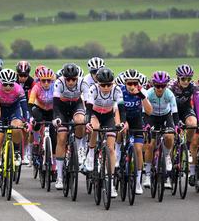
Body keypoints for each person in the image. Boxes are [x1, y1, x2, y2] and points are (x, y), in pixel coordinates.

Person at [84, 67, 126, 198]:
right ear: (98, 83)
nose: (106, 87)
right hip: (95, 114)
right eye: (103, 85)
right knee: (95, 128)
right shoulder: (93, 89)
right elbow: (89, 109)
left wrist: (123, 123)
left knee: (111, 148)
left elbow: (121, 108)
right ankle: (91, 154)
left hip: (108, 116)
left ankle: (111, 182)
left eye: (109, 84)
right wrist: (87, 122)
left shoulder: (117, 90)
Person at [52, 63, 88, 190]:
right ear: (64, 78)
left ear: (77, 78)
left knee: (81, 120)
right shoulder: (59, 83)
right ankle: (60, 176)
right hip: (61, 108)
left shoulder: (83, 83)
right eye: (68, 79)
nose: (71, 82)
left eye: (74, 79)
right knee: (61, 137)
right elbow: (55, 104)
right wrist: (56, 118)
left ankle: (79, 149)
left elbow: (88, 104)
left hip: (76, 105)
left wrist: (88, 120)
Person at [117, 69, 153, 195]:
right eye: (129, 84)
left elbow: (149, 111)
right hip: (123, 117)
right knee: (120, 130)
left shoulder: (141, 91)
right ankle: (117, 154)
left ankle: (138, 182)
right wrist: (123, 121)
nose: (132, 86)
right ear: (125, 83)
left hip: (137, 120)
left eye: (134, 83)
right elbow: (117, 110)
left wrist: (141, 96)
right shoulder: (120, 91)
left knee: (138, 150)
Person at [0, 68, 26, 187]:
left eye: (10, 84)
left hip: (13, 111)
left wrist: (26, 120)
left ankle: (16, 151)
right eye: (5, 84)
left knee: (17, 127)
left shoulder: (18, 89)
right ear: (0, 82)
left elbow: (24, 107)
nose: (7, 87)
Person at [143, 71, 177, 190]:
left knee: (169, 136)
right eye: (157, 86)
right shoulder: (148, 93)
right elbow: (144, 113)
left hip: (166, 117)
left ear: (166, 85)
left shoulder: (169, 94)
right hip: (151, 117)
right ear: (153, 85)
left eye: (163, 86)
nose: (160, 88)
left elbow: (174, 112)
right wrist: (146, 125)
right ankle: (147, 175)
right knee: (150, 144)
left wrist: (176, 126)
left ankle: (167, 156)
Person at [169, 64, 199, 183]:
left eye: (188, 79)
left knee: (193, 124)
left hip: (186, 109)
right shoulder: (171, 86)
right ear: (178, 77)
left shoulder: (193, 87)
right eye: (183, 79)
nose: (186, 81)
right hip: (172, 111)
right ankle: (170, 164)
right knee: (171, 137)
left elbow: (197, 104)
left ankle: (186, 144)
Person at [29, 67, 57, 176]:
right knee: (37, 123)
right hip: (39, 108)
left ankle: (54, 168)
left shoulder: (54, 87)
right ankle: (36, 143)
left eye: (48, 80)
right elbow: (31, 103)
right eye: (43, 80)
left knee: (54, 137)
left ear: (52, 81)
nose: (46, 83)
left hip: (51, 110)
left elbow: (59, 101)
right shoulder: (36, 87)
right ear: (39, 80)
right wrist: (31, 117)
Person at [16, 60, 34, 165]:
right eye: (20, 75)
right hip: (14, 104)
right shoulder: (13, 80)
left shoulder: (31, 81)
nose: (23, 78)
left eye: (25, 75)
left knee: (26, 129)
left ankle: (26, 152)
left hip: (27, 104)